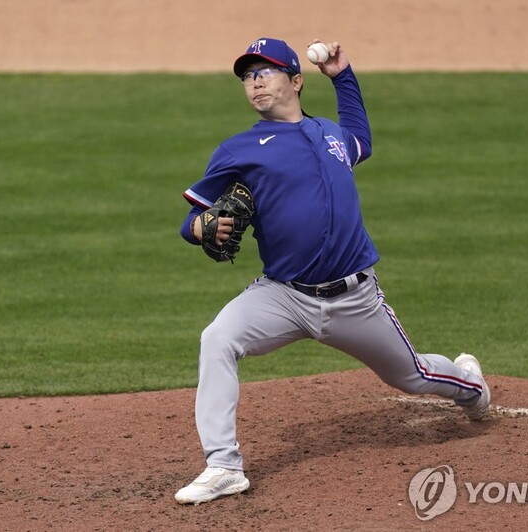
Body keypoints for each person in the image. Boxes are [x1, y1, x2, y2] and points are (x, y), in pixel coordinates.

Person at [175, 37, 491, 505]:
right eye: (247, 75)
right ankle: (223, 465)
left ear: (296, 81)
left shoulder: (331, 135)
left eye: (266, 71)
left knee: (414, 375)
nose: (255, 82)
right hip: (283, 296)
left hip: (354, 301)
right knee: (217, 338)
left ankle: (472, 388)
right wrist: (202, 228)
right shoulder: (238, 149)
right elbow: (192, 220)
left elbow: (361, 138)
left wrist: (343, 76)